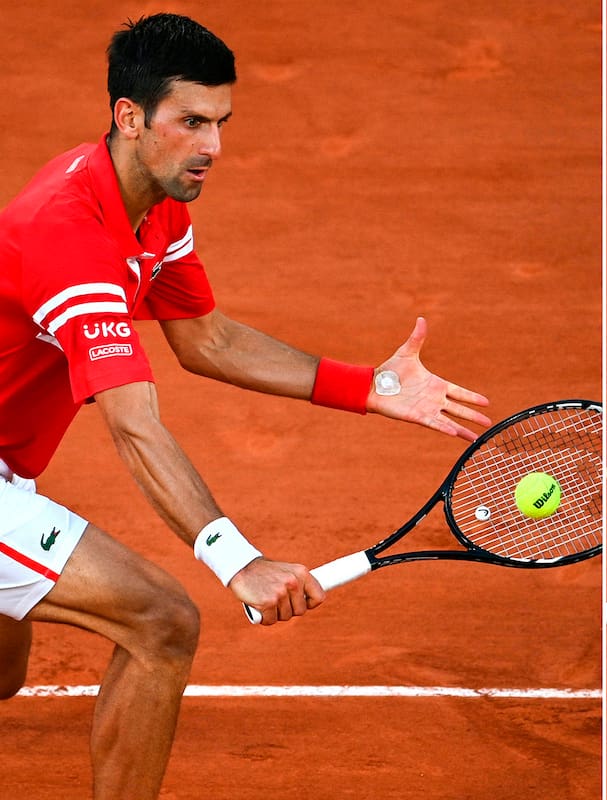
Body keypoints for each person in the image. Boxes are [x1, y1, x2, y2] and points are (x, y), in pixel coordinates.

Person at [0, 13, 490, 800]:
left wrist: (367, 386)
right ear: (130, 117)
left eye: (221, 123)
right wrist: (237, 561)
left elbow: (208, 342)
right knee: (162, 622)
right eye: (191, 122)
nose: (213, 147)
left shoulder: (153, 205)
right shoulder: (69, 236)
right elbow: (132, 423)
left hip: (10, 474)